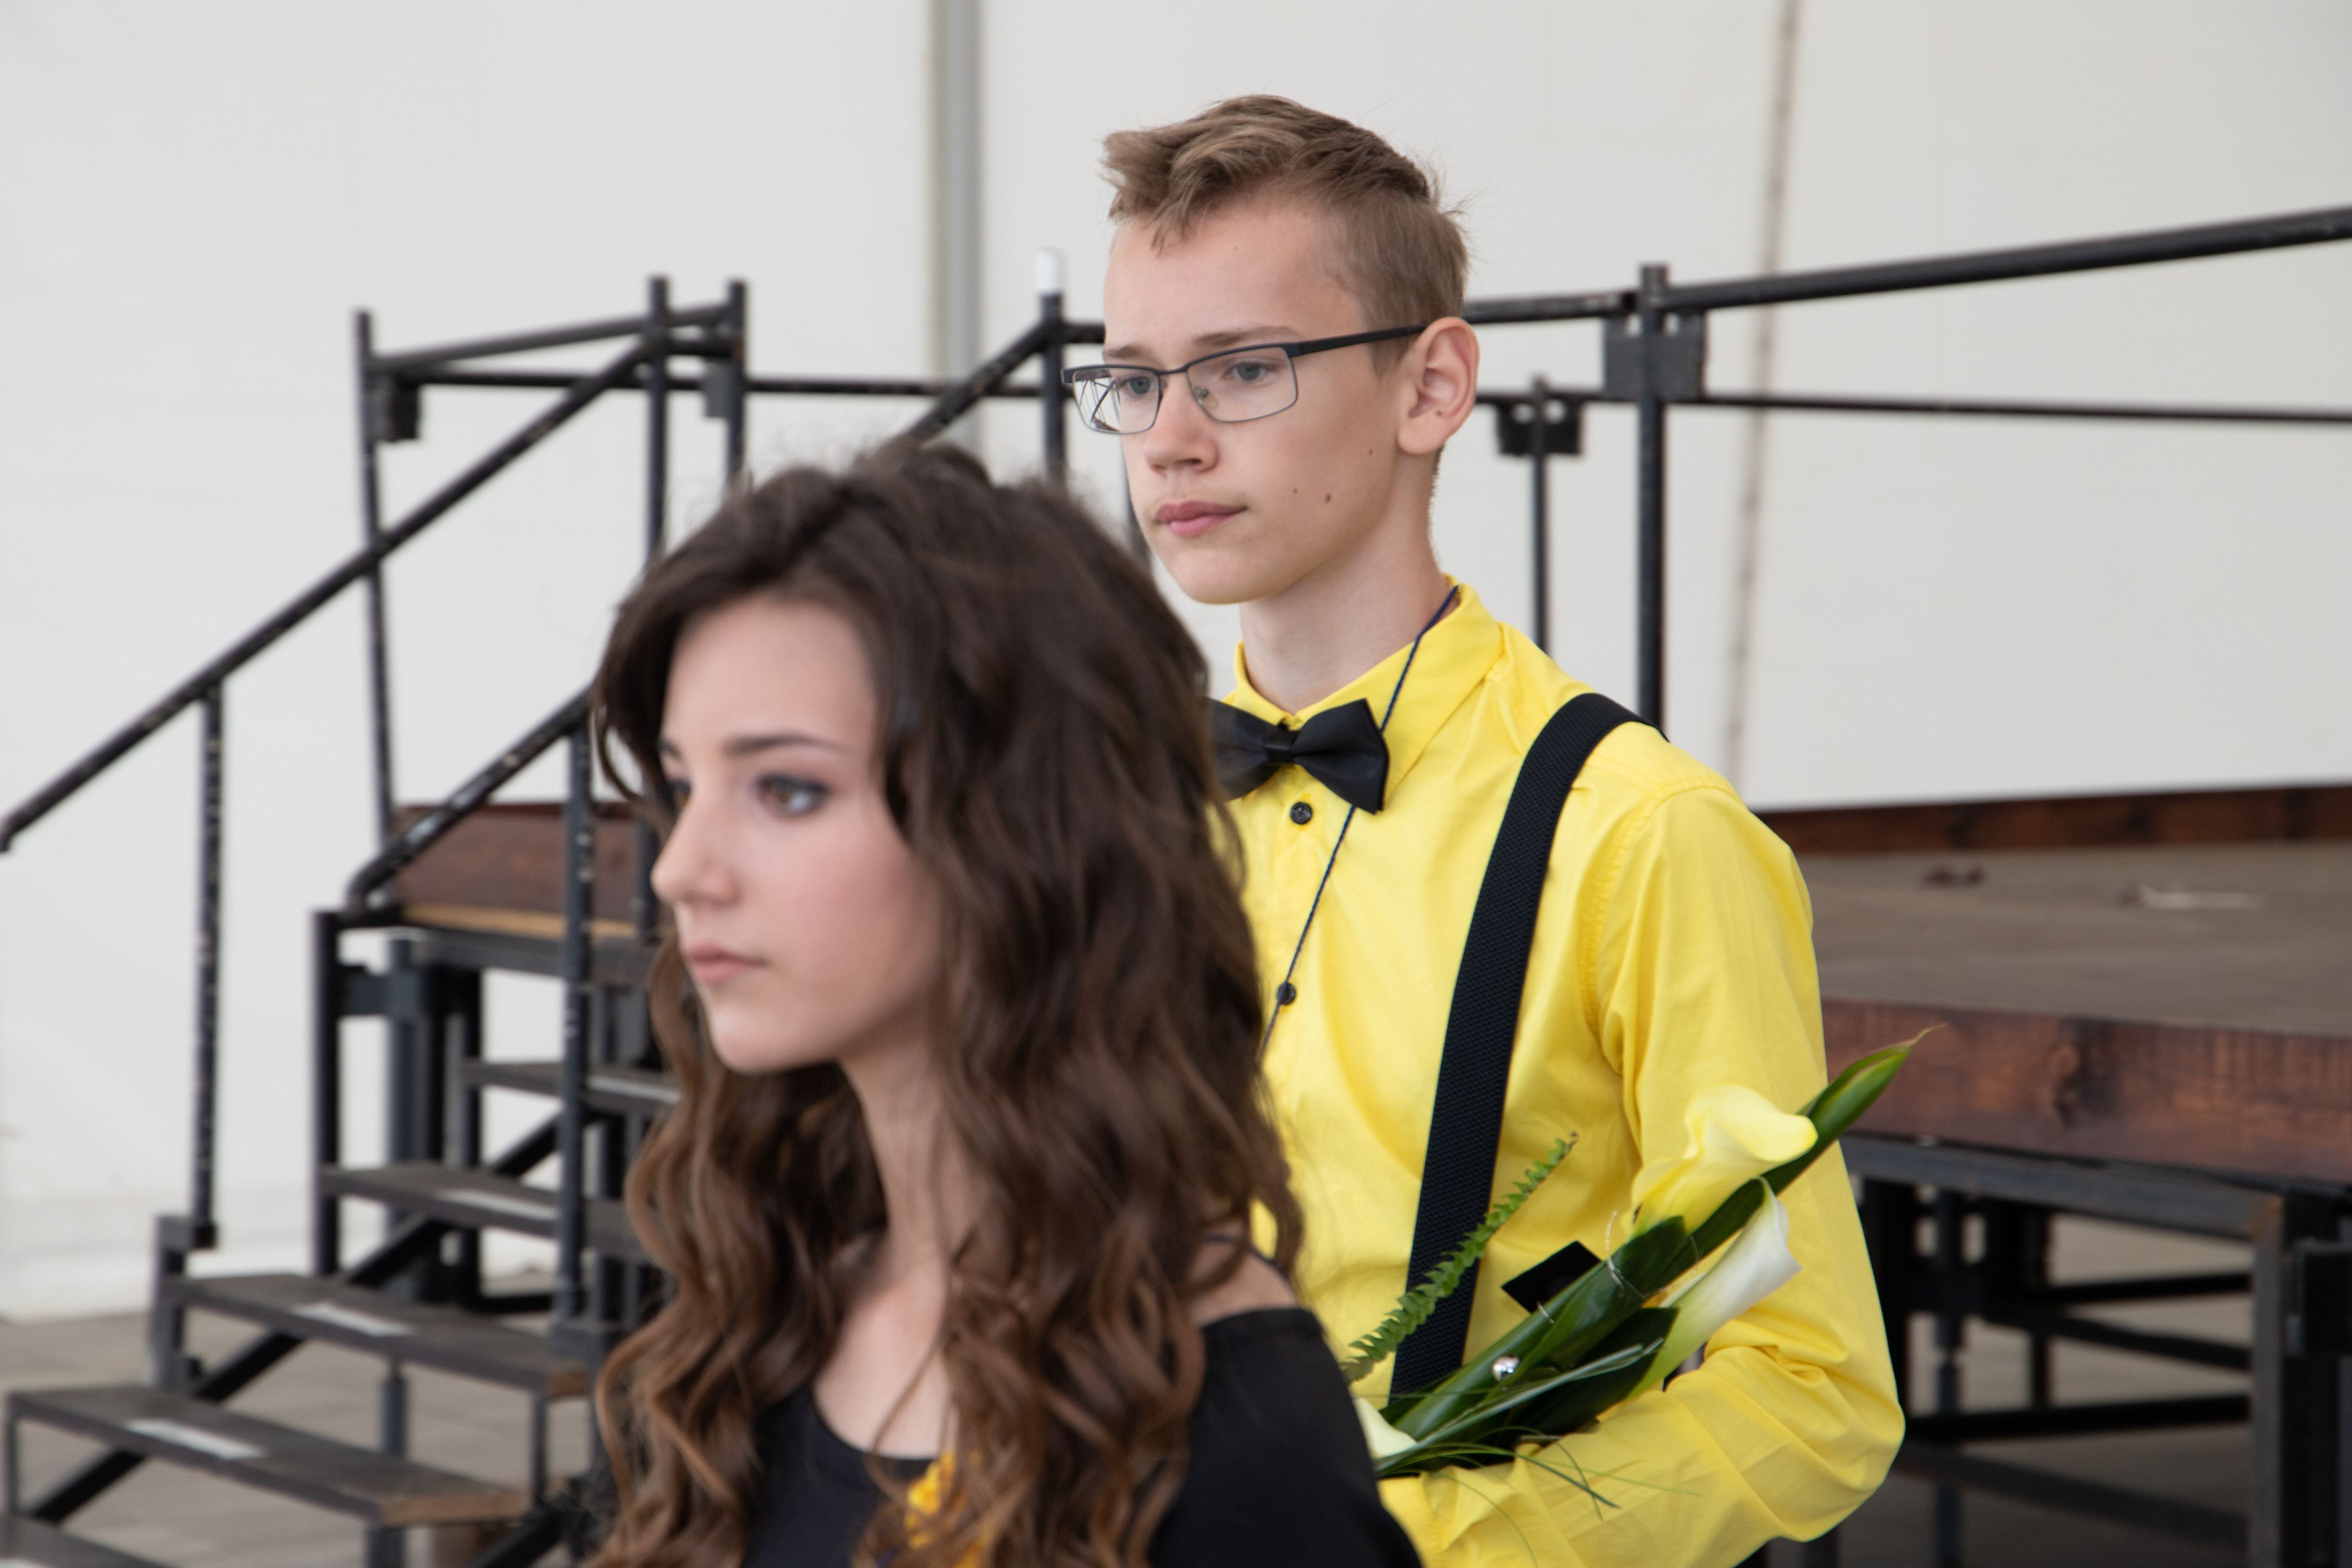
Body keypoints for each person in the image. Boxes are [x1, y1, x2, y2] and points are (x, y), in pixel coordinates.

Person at [1073, 96, 1903, 1566]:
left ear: (1432, 386)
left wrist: (1413, 1542)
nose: (1171, 442)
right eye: (1134, 381)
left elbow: (1808, 1390)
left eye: (1243, 370)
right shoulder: (1115, 814)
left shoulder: (1640, 833)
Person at [584, 445, 1420, 1568]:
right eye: (685, 787)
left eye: (786, 790)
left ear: (1024, 830)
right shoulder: (765, 1320)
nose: (682, 869)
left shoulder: (1238, 1438)